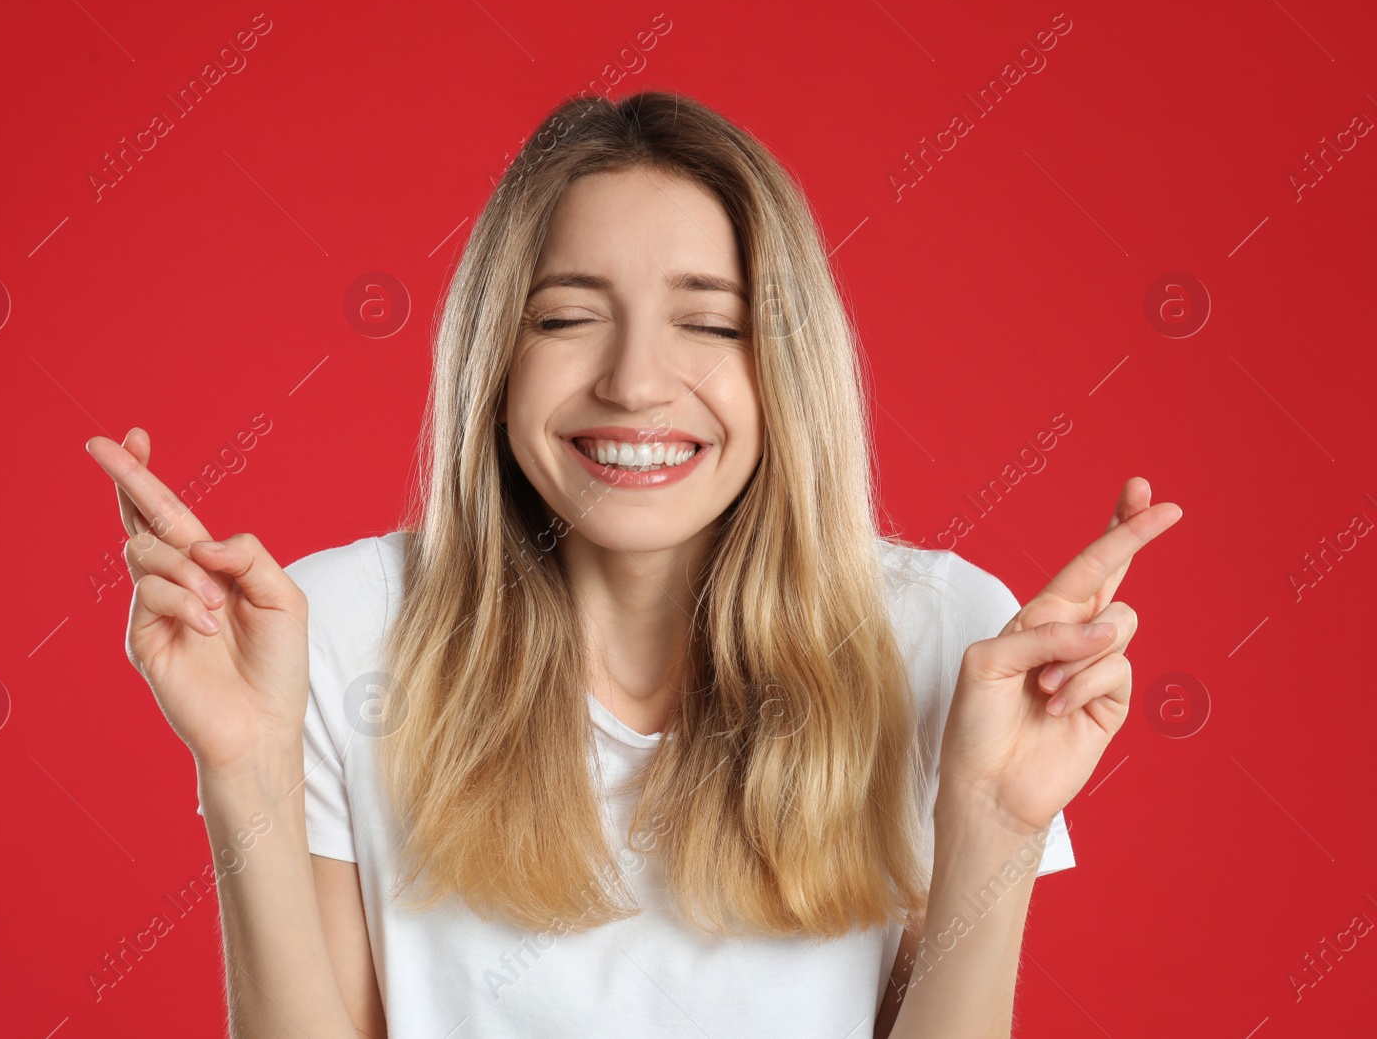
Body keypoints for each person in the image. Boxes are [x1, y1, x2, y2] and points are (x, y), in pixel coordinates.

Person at [86, 90, 1181, 1039]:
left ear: (785, 364)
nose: (636, 382)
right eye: (566, 316)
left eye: (710, 323)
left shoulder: (943, 632)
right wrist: (243, 767)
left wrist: (996, 820)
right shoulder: (334, 627)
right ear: (492, 356)